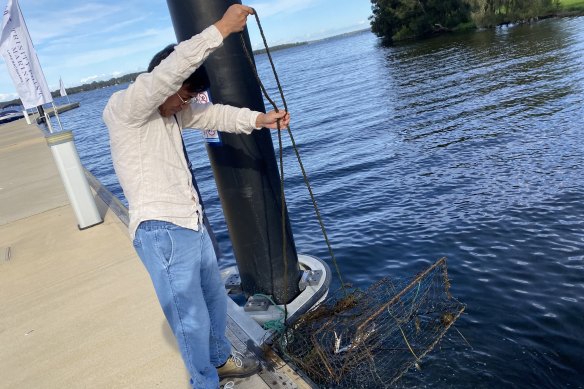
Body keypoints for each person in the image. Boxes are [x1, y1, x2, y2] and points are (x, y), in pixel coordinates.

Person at [102, 4, 290, 389]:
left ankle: (220, 360)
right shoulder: (128, 107)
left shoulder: (172, 112)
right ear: (165, 83)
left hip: (192, 224)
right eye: (183, 95)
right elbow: (174, 69)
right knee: (190, 320)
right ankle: (203, 382)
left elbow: (212, 116)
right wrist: (220, 28)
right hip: (162, 231)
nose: (183, 104)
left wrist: (258, 120)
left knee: (215, 304)